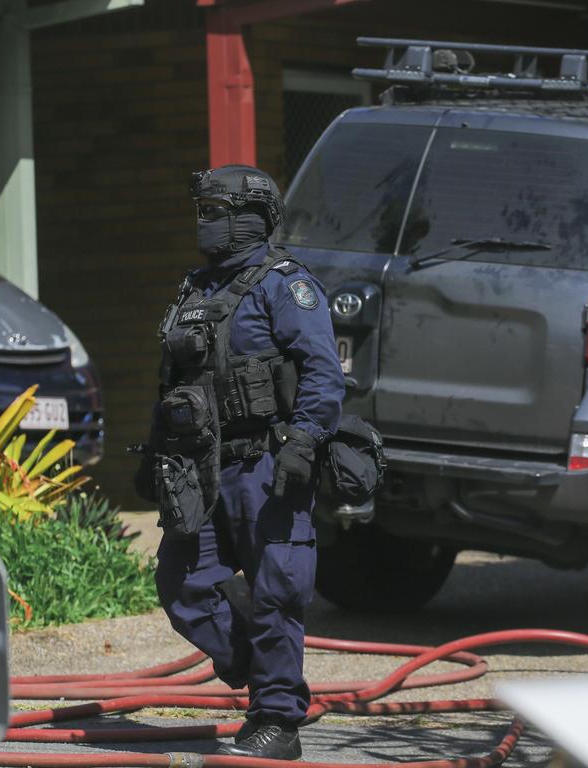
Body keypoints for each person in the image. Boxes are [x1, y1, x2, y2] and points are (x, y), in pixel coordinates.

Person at [138, 164, 345, 760]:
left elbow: (323, 373)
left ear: (251, 218)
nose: (205, 224)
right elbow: (176, 382)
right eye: (200, 212)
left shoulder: (286, 285)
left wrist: (304, 441)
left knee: (276, 591)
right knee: (181, 584)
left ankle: (277, 723)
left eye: (216, 212)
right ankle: (266, 676)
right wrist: (152, 454)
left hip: (267, 466)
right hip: (198, 466)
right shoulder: (194, 288)